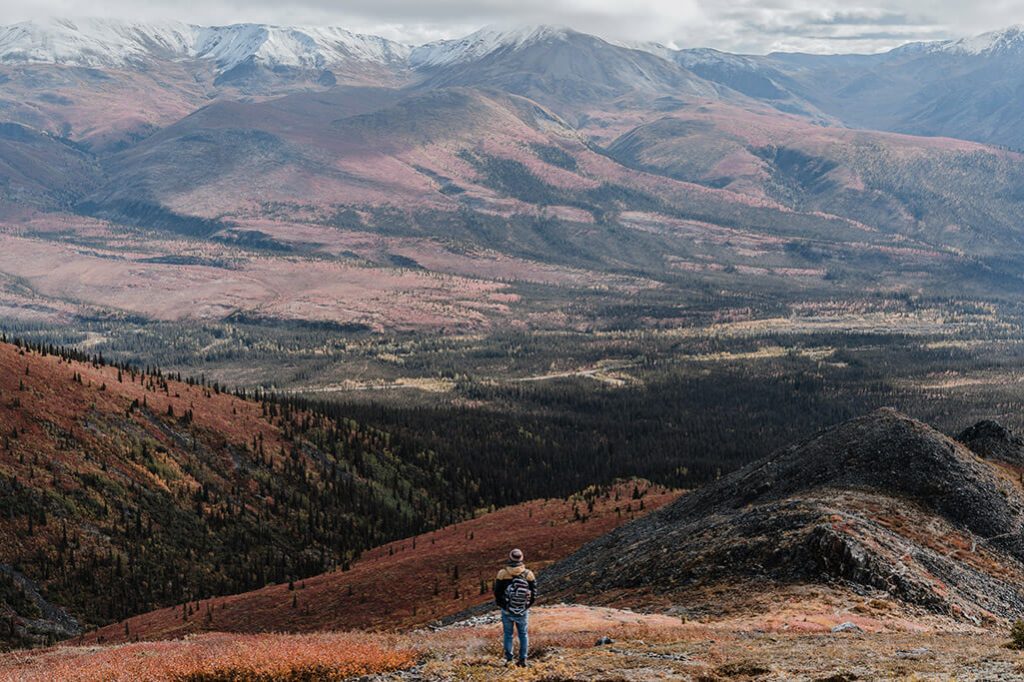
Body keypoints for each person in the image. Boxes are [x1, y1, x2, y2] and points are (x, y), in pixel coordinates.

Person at [494, 548, 536, 667]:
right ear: (521, 559)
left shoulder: (502, 573)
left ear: (510, 558)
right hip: (522, 610)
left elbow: (497, 592)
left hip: (507, 609)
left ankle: (509, 660)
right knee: (523, 634)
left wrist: (504, 606)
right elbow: (534, 593)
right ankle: (523, 660)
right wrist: (526, 606)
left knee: (508, 634)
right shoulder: (528, 574)